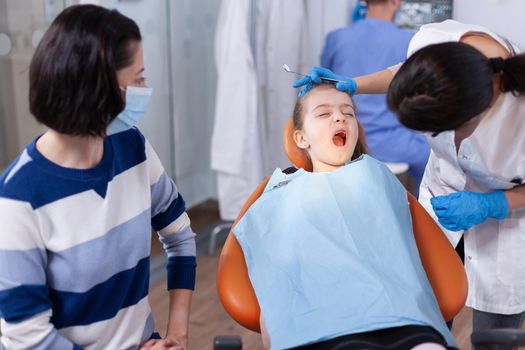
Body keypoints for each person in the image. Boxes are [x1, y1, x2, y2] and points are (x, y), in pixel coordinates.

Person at [294, 19, 525, 343]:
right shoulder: (436, 42)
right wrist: (354, 85)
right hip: (441, 197)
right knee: (425, 309)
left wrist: (497, 203)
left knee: (494, 333)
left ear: (481, 110)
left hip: (509, 224)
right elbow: (405, 73)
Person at [0, 5, 195, 350]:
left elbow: (180, 238)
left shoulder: (133, 147)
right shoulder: (19, 198)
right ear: (98, 88)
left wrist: (177, 333)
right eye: (138, 78)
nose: (145, 88)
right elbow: (29, 342)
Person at [232, 83, 456, 350]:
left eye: (348, 113)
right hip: (319, 330)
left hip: (401, 320)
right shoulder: (279, 193)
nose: (339, 117)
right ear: (301, 139)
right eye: (324, 114)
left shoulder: (377, 176)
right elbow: (273, 273)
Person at [320, 0, 429, 193]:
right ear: (395, 2)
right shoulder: (408, 41)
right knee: (433, 158)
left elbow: (323, 85)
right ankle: (424, 217)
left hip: (344, 139)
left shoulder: (336, 38)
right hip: (392, 143)